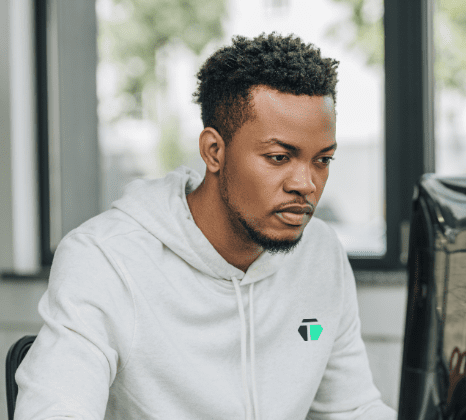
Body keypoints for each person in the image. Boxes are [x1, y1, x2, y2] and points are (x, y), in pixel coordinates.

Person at [15, 33, 397, 420]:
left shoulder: (320, 252)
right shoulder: (105, 259)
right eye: (279, 157)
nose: (306, 184)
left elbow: (352, 408)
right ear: (214, 151)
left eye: (323, 160)